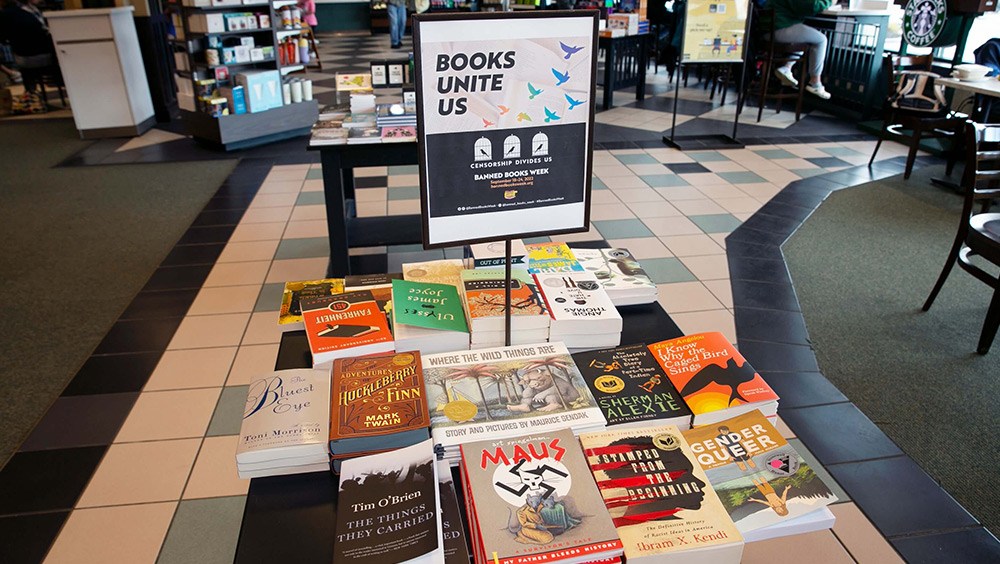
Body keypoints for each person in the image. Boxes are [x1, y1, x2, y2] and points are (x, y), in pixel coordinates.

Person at [767, 0, 832, 100]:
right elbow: (813, 6)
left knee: (805, 38)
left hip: (769, 28)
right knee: (821, 40)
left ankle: (786, 68)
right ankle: (815, 82)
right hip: (780, 27)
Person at [0, 0, 55, 93]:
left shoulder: (9, 12)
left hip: (26, 55)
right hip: (40, 55)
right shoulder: (30, 11)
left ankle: (30, 91)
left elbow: (3, 37)